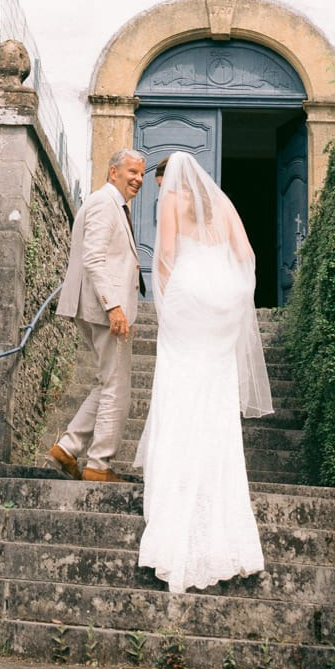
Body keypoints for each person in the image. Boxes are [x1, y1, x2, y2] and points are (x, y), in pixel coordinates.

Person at [131, 150, 272, 591]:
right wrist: (234, 298)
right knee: (214, 394)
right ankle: (220, 499)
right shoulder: (223, 203)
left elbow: (167, 254)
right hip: (221, 306)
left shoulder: (172, 201)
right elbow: (247, 255)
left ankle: (174, 488)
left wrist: (165, 302)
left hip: (189, 299)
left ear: (172, 178)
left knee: (179, 385)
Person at [47, 148, 144, 481]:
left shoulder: (113, 204)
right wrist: (113, 305)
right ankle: (99, 465)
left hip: (96, 307)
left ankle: (67, 447)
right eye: (132, 172)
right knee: (116, 387)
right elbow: (94, 258)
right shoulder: (105, 203)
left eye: (142, 174)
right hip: (104, 310)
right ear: (112, 171)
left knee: (106, 382)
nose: (138, 179)